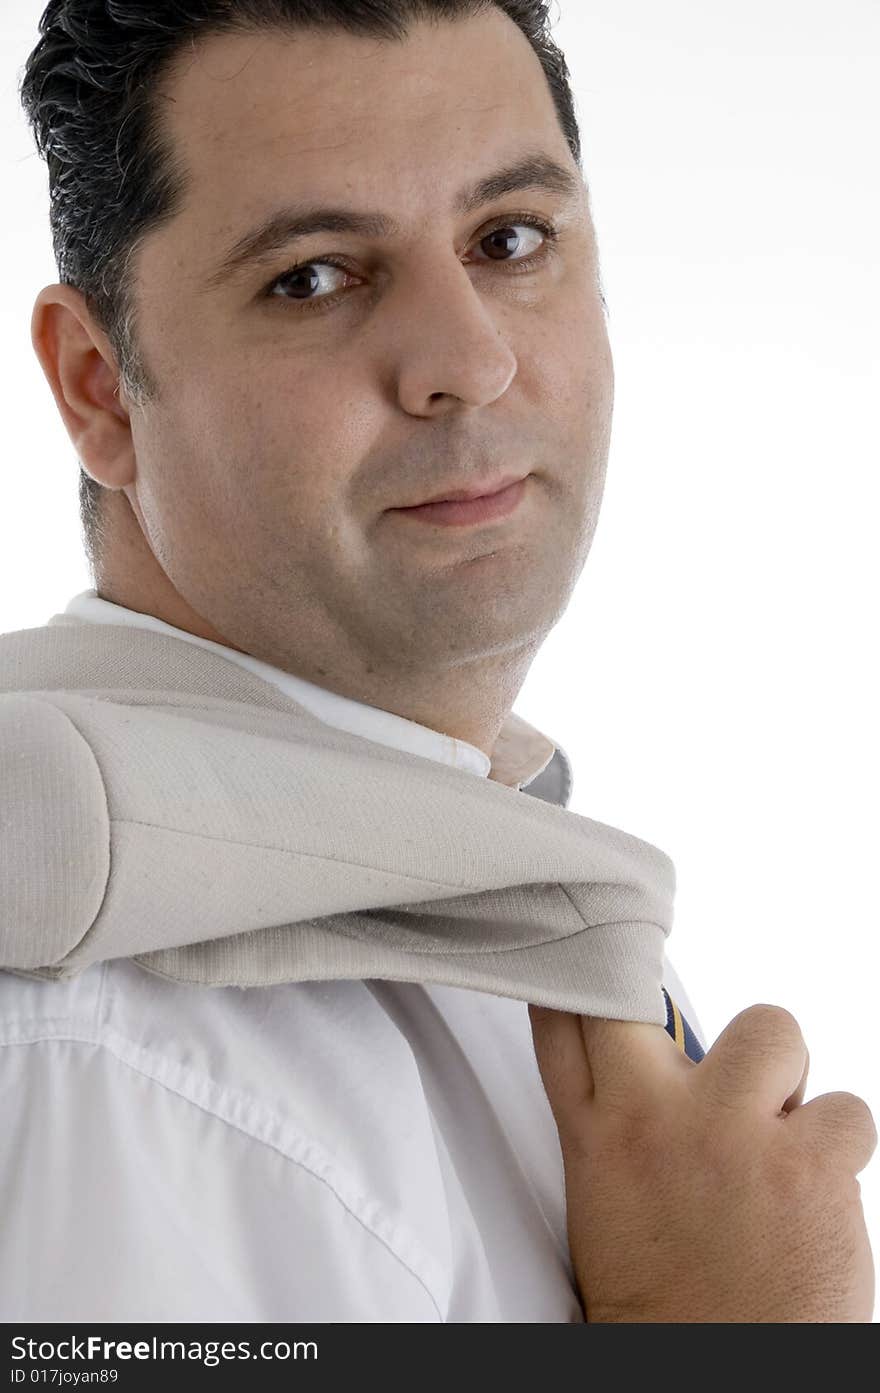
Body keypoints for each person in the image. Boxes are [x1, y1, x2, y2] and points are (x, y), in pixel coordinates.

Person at [2, 1, 872, 1324]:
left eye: (509, 240)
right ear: (98, 388)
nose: (467, 360)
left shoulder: (491, 883)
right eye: (312, 275)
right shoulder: (100, 1063)